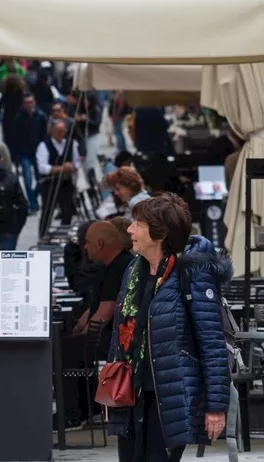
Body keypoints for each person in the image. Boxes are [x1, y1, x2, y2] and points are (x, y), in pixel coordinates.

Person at [108, 194, 231, 462]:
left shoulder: (192, 273)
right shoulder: (134, 270)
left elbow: (211, 343)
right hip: (131, 392)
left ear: (160, 232)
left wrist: (216, 407)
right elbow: (121, 332)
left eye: (138, 223)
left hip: (172, 394)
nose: (129, 229)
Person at [37, 117, 82, 232]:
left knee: (68, 211)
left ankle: (62, 232)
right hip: (50, 183)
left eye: (63, 131)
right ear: (52, 132)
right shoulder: (44, 146)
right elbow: (43, 167)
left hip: (66, 183)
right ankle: (43, 234)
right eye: (59, 131)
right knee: (47, 211)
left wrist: (72, 167)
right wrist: (61, 168)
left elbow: (77, 161)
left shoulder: (71, 144)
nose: (62, 134)